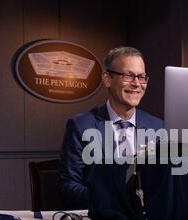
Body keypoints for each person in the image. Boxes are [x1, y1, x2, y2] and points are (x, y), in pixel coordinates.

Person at [58, 47, 163, 209]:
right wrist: (109, 201)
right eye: (128, 76)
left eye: (142, 77)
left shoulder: (158, 127)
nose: (136, 84)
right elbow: (68, 186)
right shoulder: (80, 126)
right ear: (107, 79)